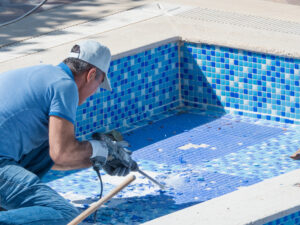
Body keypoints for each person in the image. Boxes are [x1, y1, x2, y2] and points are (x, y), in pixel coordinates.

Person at [0, 39, 134, 225]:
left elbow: (54, 155)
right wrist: (103, 149)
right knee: (66, 215)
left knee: (48, 141)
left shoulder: (44, 74)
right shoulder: (65, 86)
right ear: (91, 74)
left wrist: (98, 158)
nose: (95, 93)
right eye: (99, 83)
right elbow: (62, 153)